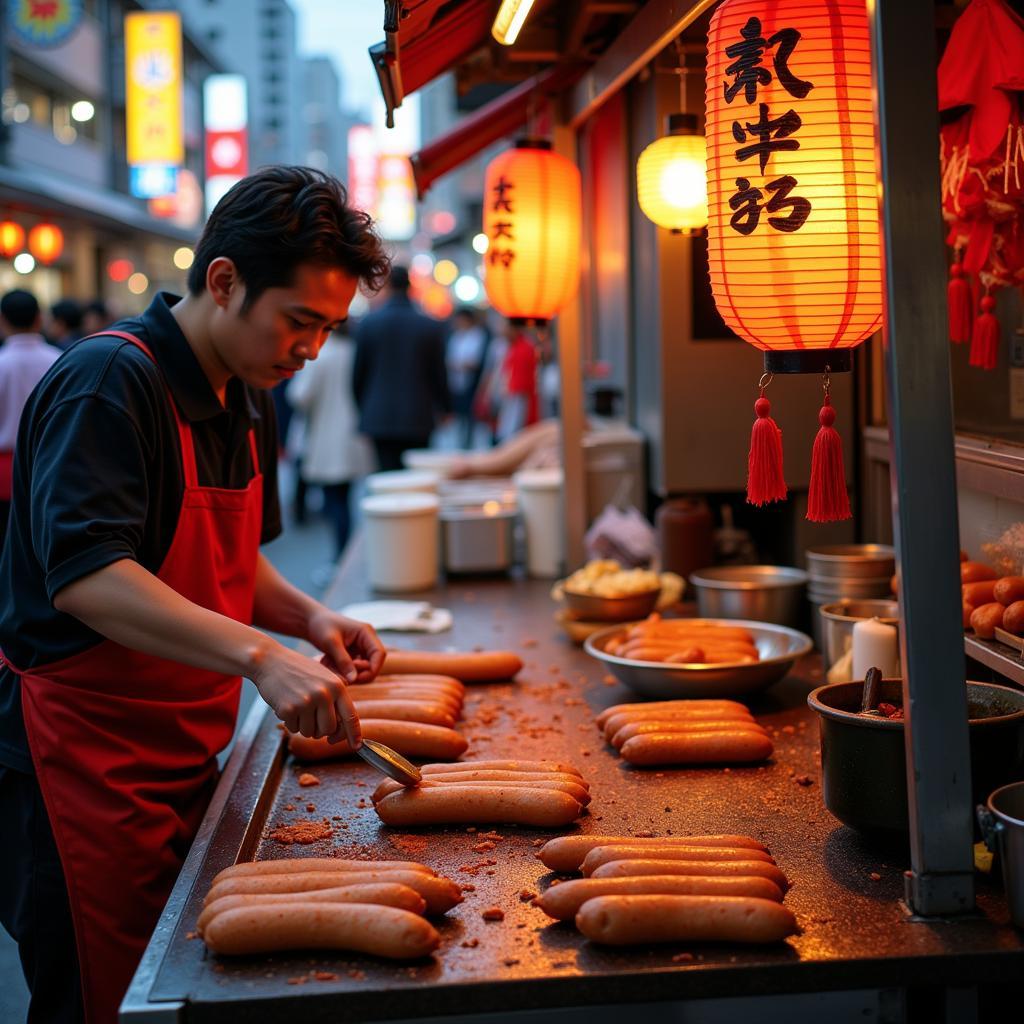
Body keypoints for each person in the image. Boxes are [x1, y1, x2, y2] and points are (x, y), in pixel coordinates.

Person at [0, 166, 391, 1024]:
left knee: (179, 989)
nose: (312, 349)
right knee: (96, 1001)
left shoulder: (251, 395)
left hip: (185, 753)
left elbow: (227, 557)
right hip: (81, 762)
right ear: (224, 281)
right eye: (300, 320)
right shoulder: (109, 382)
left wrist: (309, 617)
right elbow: (90, 578)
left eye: (327, 328)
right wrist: (262, 655)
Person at [286, 324, 372, 562]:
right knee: (346, 499)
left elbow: (300, 396)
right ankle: (346, 556)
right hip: (354, 438)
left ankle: (341, 559)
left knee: (335, 503)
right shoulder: (355, 351)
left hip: (327, 437)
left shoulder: (321, 356)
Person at [352, 265, 450, 471]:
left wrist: (363, 407)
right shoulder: (429, 325)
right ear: (409, 286)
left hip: (379, 414)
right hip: (418, 414)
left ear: (388, 286)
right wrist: (446, 407)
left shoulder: (369, 323)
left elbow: (358, 374)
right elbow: (438, 374)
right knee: (416, 478)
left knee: (385, 476)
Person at [0, 289, 59, 547]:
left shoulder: (2, 363)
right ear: (39, 318)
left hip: (4, 472)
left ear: (2, 320)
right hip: (52, 467)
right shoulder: (61, 360)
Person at [446, 306, 489, 448]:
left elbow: (478, 361)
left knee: (471, 414)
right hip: (456, 382)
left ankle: (468, 443)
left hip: (472, 382)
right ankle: (460, 442)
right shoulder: (455, 336)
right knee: (459, 415)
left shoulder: (478, 336)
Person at [496, 318, 539, 442]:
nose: (502, 331)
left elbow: (520, 386)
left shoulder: (524, 348)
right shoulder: (513, 346)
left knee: (514, 433)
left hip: (518, 397)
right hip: (513, 395)